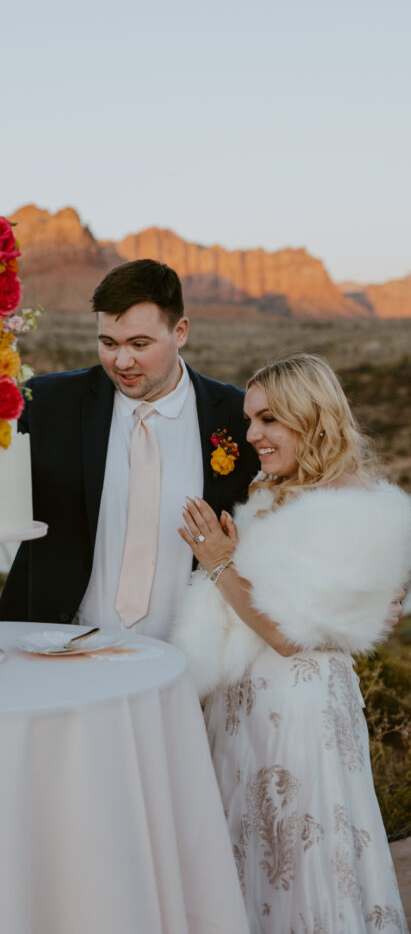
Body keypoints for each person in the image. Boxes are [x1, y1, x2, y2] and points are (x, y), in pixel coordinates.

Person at [171, 353, 411, 933]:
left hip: (296, 710)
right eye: (252, 419)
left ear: (312, 418)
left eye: (269, 420)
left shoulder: (348, 503)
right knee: (249, 852)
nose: (253, 434)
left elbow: (285, 633)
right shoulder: (276, 489)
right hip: (243, 702)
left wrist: (220, 564)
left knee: (300, 853)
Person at [0, 258, 258, 634]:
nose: (122, 361)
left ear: (180, 331)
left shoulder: (237, 415)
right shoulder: (48, 404)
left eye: (139, 343)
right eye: (108, 343)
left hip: (186, 662)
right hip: (60, 647)